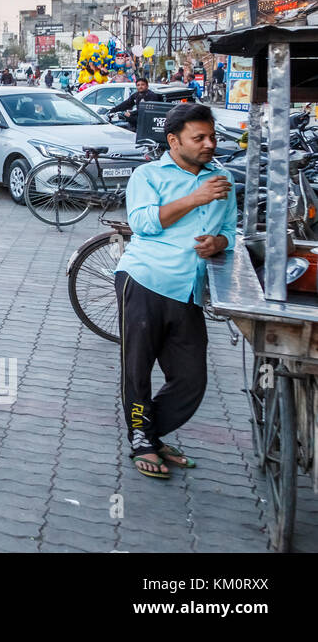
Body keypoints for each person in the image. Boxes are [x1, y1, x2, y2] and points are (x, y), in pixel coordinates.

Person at [114, 102, 235, 480]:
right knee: (137, 368)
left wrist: (219, 242)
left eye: (212, 136)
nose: (209, 144)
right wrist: (195, 198)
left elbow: (231, 230)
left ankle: (147, 434)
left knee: (190, 378)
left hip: (188, 288)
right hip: (145, 278)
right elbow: (144, 223)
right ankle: (143, 441)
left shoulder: (222, 179)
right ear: (173, 140)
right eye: (198, 138)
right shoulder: (148, 175)